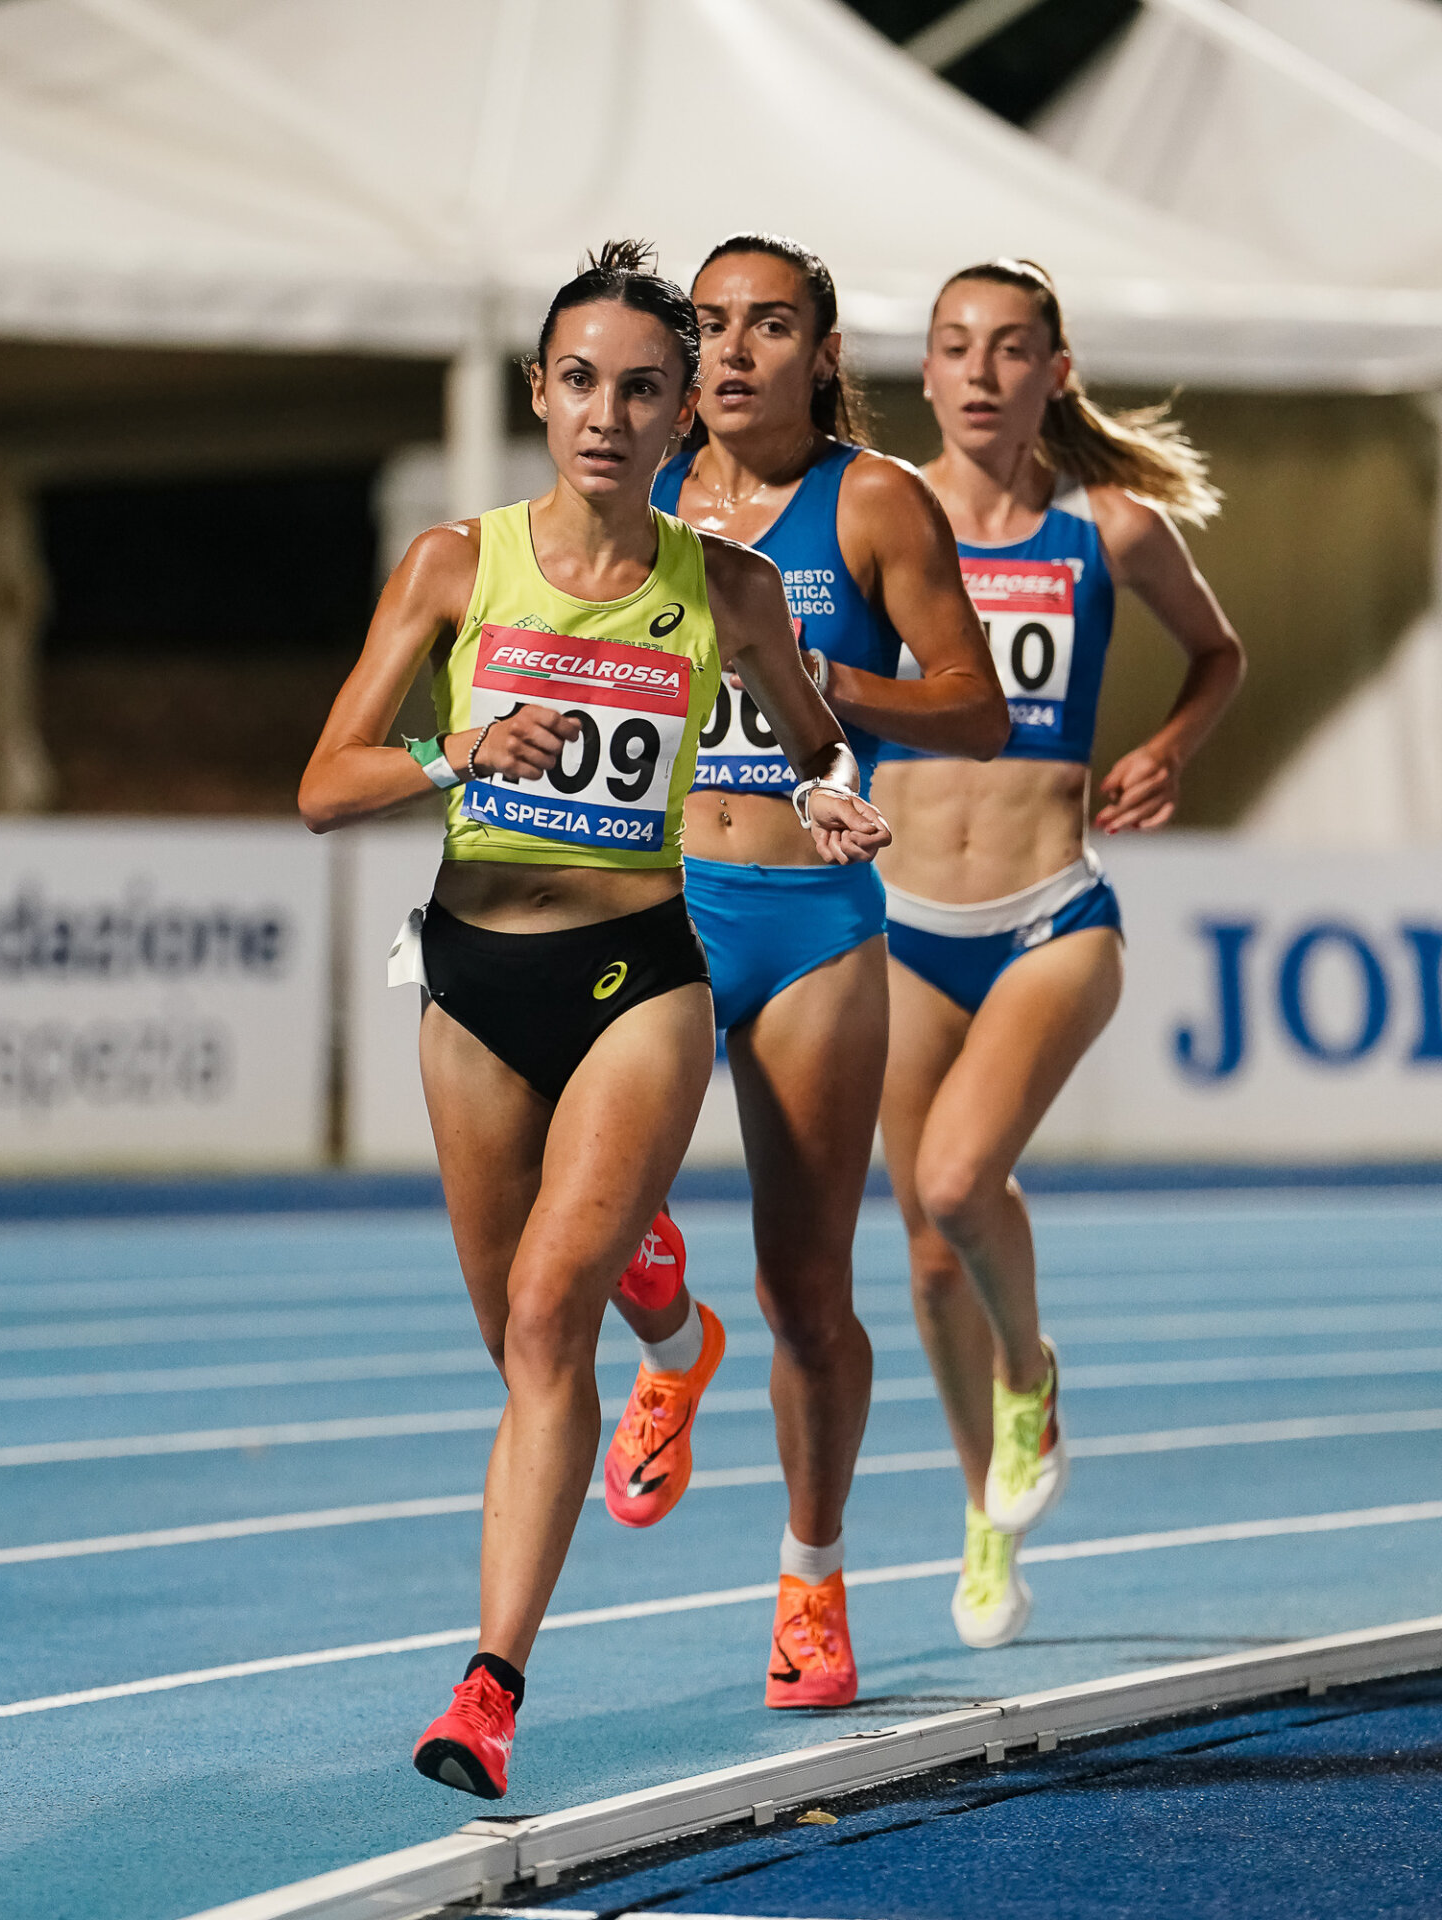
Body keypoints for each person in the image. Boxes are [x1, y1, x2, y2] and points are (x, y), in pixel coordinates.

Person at [298, 241, 890, 1800]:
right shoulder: (452, 565)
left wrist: (832, 805)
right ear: (538, 394)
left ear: (685, 405)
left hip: (640, 977)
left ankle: (489, 1690)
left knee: (550, 1320)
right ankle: (676, 1321)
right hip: (472, 988)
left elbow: (824, 745)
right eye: (581, 383)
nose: (609, 416)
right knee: (517, 1343)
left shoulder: (733, 590)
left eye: (645, 387)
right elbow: (320, 789)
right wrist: (460, 748)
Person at [599, 233, 1007, 1710]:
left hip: (812, 913)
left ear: (823, 355)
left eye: (770, 326)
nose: (732, 352)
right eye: (708, 326)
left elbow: (975, 708)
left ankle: (812, 1579)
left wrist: (831, 688)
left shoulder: (876, 504)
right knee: (582, 1197)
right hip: (656, 896)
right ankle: (664, 1328)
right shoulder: (632, 487)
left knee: (807, 1292)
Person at [874, 258, 1245, 1649]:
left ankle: (1029, 1373)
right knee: (918, 1256)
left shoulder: (1112, 528)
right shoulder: (872, 519)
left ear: (1055, 373)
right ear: (925, 372)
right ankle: (984, 1511)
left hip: (1048, 918)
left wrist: (1167, 745)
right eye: (955, 348)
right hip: (901, 926)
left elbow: (1220, 656)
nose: (980, 373)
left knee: (964, 1183)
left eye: (1009, 349)